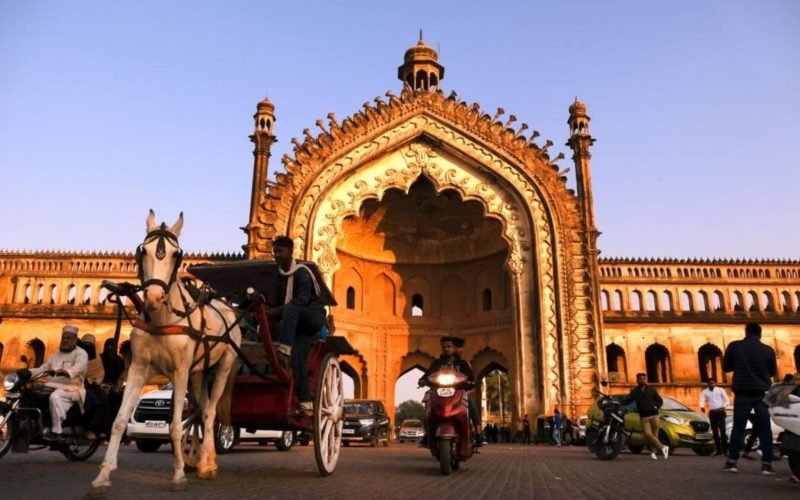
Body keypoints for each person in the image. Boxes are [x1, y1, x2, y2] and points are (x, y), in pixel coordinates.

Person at [267, 236, 327, 414]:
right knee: (298, 361)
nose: (276, 255)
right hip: (296, 326)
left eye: (280, 251)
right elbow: (276, 302)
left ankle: (284, 348)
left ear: (291, 251)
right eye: (275, 251)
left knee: (292, 307)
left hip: (312, 318)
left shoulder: (302, 272)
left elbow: (302, 301)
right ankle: (306, 402)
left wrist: (275, 312)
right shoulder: (279, 277)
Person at [722, 322, 778, 475]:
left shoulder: (735, 346)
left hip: (743, 392)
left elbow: (726, 367)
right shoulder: (768, 350)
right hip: (762, 392)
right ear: (760, 334)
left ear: (746, 332)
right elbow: (772, 371)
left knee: (738, 428)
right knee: (765, 429)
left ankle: (732, 462)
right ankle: (767, 465)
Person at [30, 325, 88, 440]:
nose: (65, 340)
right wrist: (27, 372)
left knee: (55, 397)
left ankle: (57, 431)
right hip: (51, 385)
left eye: (68, 338)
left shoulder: (81, 353)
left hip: (72, 388)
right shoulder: (55, 355)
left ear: (75, 340)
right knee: (30, 393)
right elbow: (43, 368)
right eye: (63, 338)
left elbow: (79, 367)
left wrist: (67, 372)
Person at [418, 336, 476, 447]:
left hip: (458, 392)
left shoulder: (462, 364)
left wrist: (470, 383)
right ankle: (427, 434)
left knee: (470, 402)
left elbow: (471, 378)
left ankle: (478, 432)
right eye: (444, 347)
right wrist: (422, 381)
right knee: (428, 406)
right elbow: (428, 374)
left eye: (449, 347)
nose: (446, 349)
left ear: (454, 348)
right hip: (439, 393)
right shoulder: (437, 363)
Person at [624, 372, 668, 460]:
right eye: (640, 379)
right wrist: (619, 404)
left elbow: (660, 400)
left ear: (646, 379)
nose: (642, 380)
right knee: (648, 434)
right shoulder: (634, 391)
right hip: (644, 417)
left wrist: (656, 406)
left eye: (643, 379)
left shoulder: (652, 389)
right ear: (637, 380)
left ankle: (653, 453)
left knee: (655, 435)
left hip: (654, 415)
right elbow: (627, 401)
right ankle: (663, 447)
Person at [699, 377, 731, 456]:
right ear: (707, 384)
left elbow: (727, 401)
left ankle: (725, 450)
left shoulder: (720, 390)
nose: (711, 384)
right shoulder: (704, 392)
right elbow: (701, 400)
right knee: (715, 432)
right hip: (712, 413)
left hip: (720, 411)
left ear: (715, 383)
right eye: (710, 383)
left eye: (713, 383)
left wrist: (723, 407)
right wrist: (702, 406)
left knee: (722, 431)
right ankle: (718, 450)